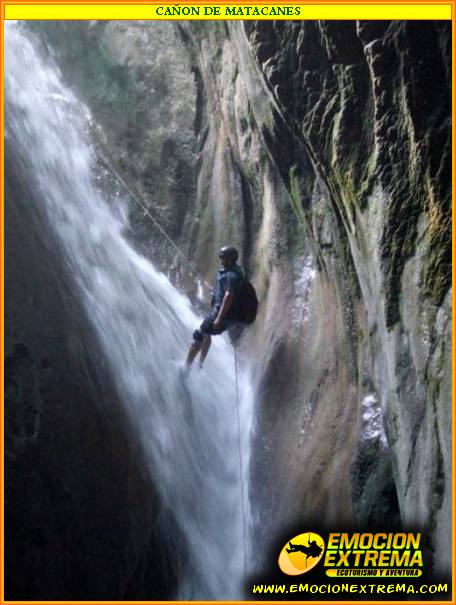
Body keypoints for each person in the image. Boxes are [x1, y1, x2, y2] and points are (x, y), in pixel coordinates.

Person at [185, 245, 244, 370]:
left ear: (230, 259)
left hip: (220, 312)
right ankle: (199, 363)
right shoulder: (234, 271)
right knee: (207, 335)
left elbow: (229, 296)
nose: (221, 260)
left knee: (199, 335)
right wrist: (217, 293)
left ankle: (186, 367)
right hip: (226, 312)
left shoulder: (231, 275)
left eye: (223, 258)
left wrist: (219, 317)